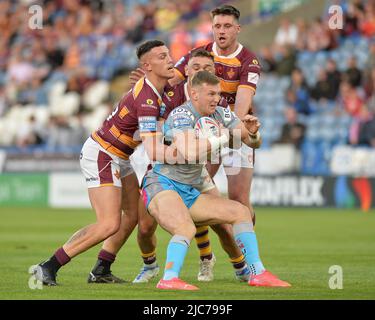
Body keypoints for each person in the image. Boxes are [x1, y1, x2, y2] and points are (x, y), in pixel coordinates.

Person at [32, 40, 178, 286]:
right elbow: (153, 148)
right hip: (103, 153)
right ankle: (48, 266)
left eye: (168, 54)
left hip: (118, 155)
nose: (170, 59)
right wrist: (190, 150)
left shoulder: (155, 90)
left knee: (131, 215)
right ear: (147, 65)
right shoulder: (148, 98)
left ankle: (101, 270)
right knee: (109, 223)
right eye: (162, 56)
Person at [142, 70, 290, 290]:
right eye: (210, 94)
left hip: (190, 190)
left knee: (241, 212)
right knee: (185, 228)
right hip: (162, 184)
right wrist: (222, 137)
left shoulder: (221, 114)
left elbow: (251, 142)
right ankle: (169, 279)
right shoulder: (181, 116)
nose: (216, 98)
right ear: (194, 94)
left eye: (218, 93)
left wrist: (253, 133)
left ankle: (257, 274)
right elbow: (190, 153)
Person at [132, 49, 252, 284]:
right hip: (164, 166)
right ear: (186, 70)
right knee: (146, 227)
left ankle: (239, 267)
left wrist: (247, 134)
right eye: (196, 67)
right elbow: (151, 130)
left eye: (207, 68)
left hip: (195, 169)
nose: (201, 71)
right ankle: (150, 265)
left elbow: (239, 135)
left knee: (223, 222)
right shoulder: (166, 94)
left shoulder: (215, 98)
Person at [169, 4, 262, 279]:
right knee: (196, 194)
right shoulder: (201, 54)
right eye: (217, 26)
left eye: (226, 26)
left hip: (234, 132)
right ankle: (206, 257)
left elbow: (243, 105)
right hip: (205, 133)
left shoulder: (248, 61)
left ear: (237, 29)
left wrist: (225, 128)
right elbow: (173, 78)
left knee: (239, 200)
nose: (221, 31)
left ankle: (249, 260)